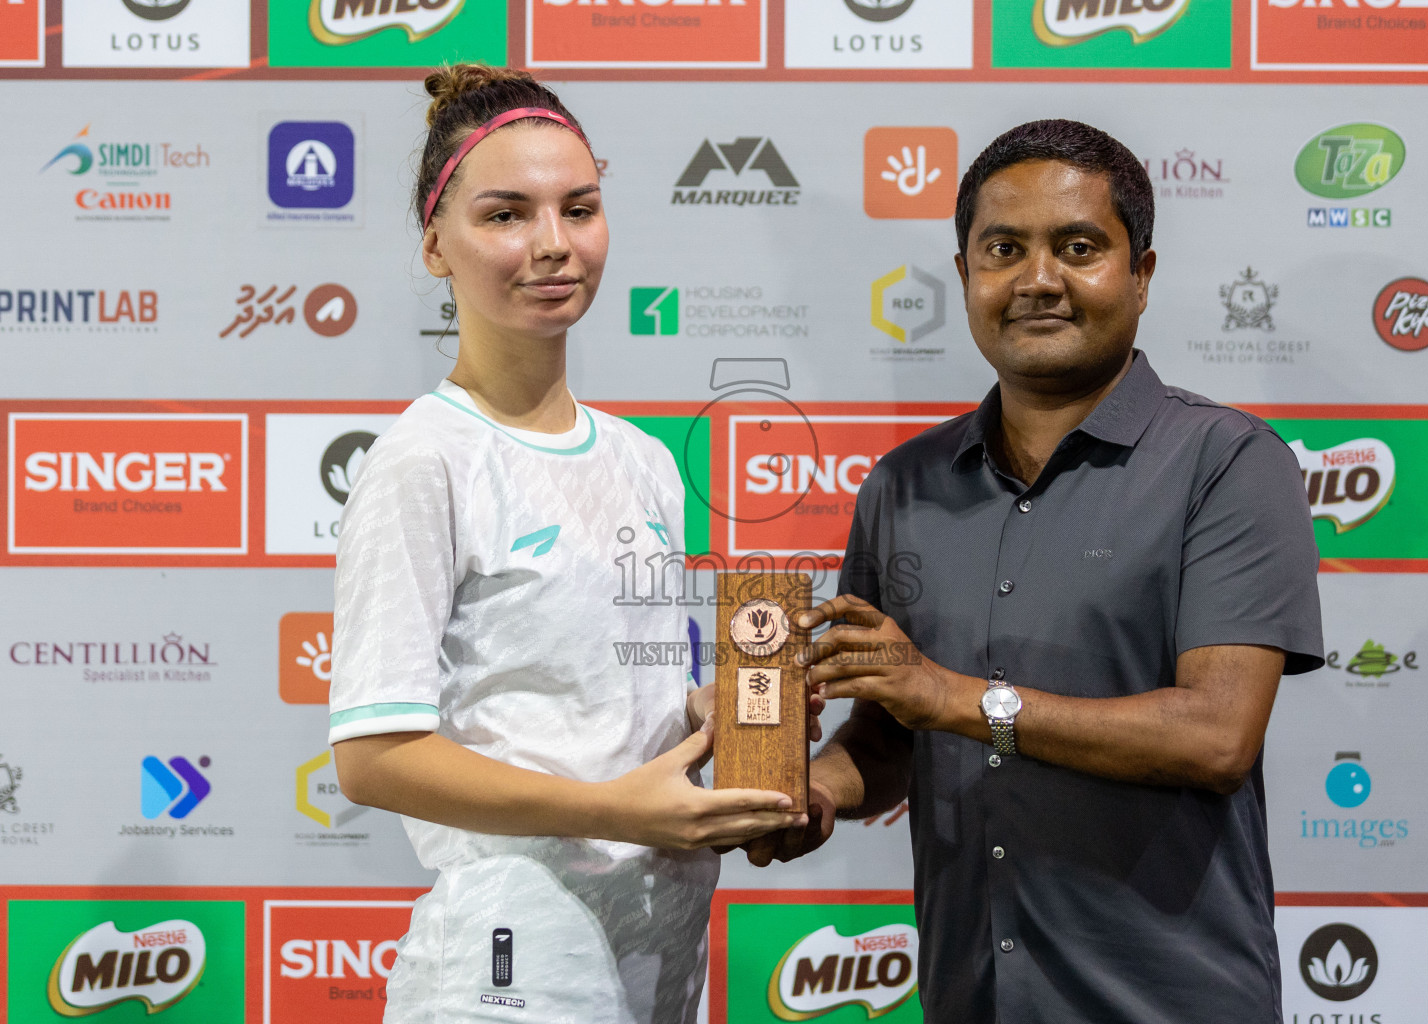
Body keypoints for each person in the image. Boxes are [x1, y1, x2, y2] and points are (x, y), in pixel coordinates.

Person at [752, 120, 1324, 1023]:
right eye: (1004, 249)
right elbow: (891, 738)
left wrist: (949, 697)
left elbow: (1216, 736)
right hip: (967, 994)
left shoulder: (1228, 461)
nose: (1038, 280)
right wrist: (814, 790)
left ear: (1140, 274)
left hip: (1169, 1003)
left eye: (1079, 247)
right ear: (967, 273)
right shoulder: (902, 485)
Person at [328, 64, 808, 1024]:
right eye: (506, 215)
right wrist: (617, 810)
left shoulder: (641, 459)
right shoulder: (426, 458)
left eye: (578, 209)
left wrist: (732, 717)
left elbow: (585, 693)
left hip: (662, 941)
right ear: (435, 243)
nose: (553, 245)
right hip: (511, 956)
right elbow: (372, 758)